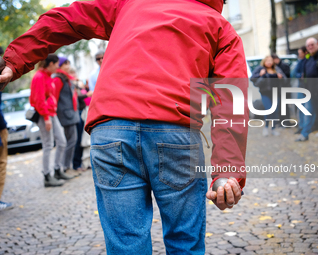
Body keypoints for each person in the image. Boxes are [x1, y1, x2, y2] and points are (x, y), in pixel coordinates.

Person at [0, 0, 247, 253]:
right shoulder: (220, 27)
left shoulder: (129, 4)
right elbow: (231, 104)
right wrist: (227, 172)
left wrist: (15, 59)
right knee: (185, 241)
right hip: (176, 132)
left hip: (112, 129)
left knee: (126, 244)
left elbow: (68, 18)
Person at [30, 54, 68, 187]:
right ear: (50, 63)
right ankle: (47, 176)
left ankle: (57, 170)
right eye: (57, 64)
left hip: (52, 113)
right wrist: (46, 118)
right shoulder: (39, 76)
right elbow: (39, 100)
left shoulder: (47, 76)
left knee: (62, 141)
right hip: (44, 115)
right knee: (48, 144)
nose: (58, 66)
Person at [53, 57, 80, 177]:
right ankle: (65, 167)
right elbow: (55, 97)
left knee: (71, 141)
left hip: (70, 113)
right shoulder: (58, 79)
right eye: (65, 64)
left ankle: (66, 167)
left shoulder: (66, 78)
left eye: (68, 64)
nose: (68, 66)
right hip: (65, 115)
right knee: (69, 141)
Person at [251, 56, 286, 137]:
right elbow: (253, 78)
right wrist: (260, 75)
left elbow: (285, 79)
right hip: (265, 93)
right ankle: (266, 127)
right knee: (269, 109)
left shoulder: (276, 69)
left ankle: (273, 129)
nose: (269, 62)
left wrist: (281, 78)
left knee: (275, 111)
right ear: (264, 62)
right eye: (268, 61)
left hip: (276, 93)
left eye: (271, 60)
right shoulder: (260, 69)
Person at [70, 68, 93, 172]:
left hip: (83, 112)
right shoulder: (72, 85)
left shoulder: (78, 84)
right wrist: (86, 95)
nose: (74, 75)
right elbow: (76, 97)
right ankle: (77, 163)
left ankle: (83, 161)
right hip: (77, 113)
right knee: (78, 140)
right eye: (72, 73)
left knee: (83, 139)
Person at [292, 46, 309, 134]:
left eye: (300, 53)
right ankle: (302, 126)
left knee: (307, 108)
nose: (299, 55)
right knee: (300, 107)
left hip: (307, 87)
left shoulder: (307, 60)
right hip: (301, 86)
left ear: (305, 52)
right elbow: (295, 73)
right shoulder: (300, 62)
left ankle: (306, 127)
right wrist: (300, 75)